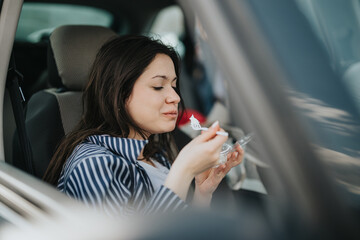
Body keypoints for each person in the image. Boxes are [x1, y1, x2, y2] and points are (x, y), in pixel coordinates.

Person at [43, 35, 243, 216]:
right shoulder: (93, 164)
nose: (175, 97)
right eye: (158, 86)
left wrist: (202, 192)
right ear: (119, 93)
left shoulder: (155, 155)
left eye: (174, 86)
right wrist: (183, 170)